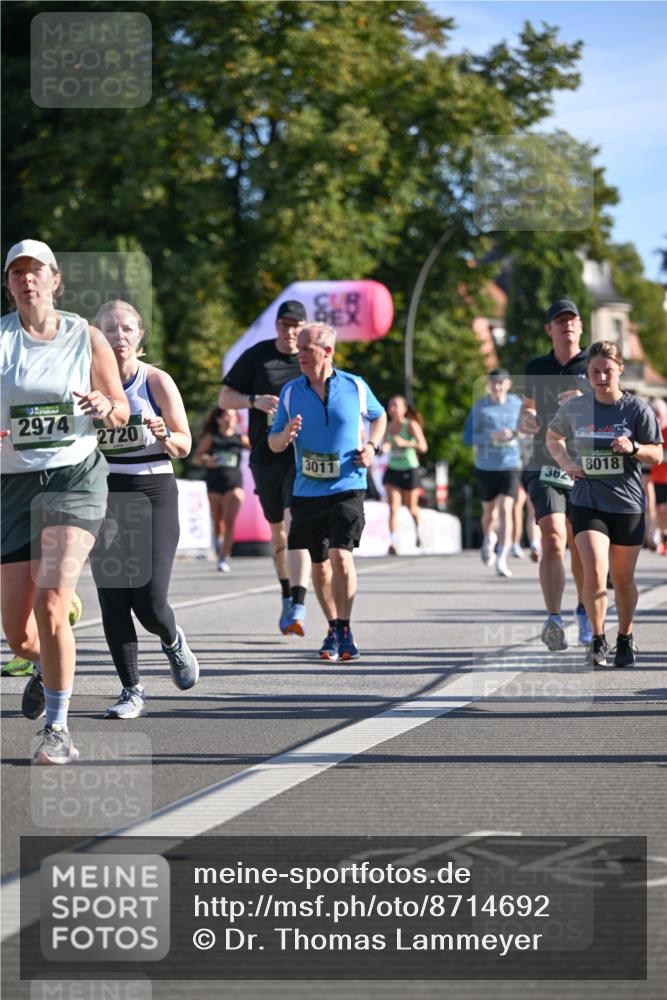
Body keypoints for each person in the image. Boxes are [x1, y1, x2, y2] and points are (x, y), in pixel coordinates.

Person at [1, 240, 130, 762]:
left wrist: (105, 404)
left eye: (36, 271)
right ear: (9, 283)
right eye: (17, 273)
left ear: (55, 279)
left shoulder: (86, 336)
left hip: (74, 478)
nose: (27, 280)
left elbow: (121, 410)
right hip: (11, 489)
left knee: (51, 603)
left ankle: (57, 727)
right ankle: (39, 663)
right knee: (19, 635)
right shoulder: (2, 340)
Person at [92, 299, 198, 720]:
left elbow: (185, 444)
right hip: (103, 493)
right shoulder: (86, 382)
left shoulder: (156, 381)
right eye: (109, 330)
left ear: (139, 336)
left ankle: (172, 639)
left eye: (126, 329)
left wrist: (164, 433)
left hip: (153, 488)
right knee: (113, 598)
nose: (118, 337)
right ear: (97, 338)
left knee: (149, 601)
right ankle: (131, 689)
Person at [268, 322, 386, 660]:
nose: (299, 354)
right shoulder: (291, 392)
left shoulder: (356, 387)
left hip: (348, 485)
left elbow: (379, 419)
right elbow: (274, 444)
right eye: (299, 348)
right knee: (319, 566)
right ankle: (332, 626)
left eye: (306, 348)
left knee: (341, 556)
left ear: (327, 351)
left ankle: (345, 629)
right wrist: (285, 435)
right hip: (308, 490)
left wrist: (373, 447)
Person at [546, 340, 663, 666]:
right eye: (594, 371)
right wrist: (567, 462)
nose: (600, 377)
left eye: (606, 371)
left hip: (626, 504)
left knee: (623, 579)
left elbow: (658, 453)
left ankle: (625, 637)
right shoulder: (576, 408)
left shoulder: (637, 409)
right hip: (588, 501)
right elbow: (552, 437)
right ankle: (597, 639)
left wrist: (633, 446)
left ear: (619, 370)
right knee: (595, 574)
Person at [219, 300, 310, 632]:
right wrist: (253, 401)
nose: (290, 332)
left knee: (294, 519)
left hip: (301, 455)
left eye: (296, 326)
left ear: (303, 329)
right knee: (278, 531)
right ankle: (287, 593)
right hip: (265, 454)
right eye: (285, 326)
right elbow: (224, 398)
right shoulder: (258, 356)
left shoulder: (309, 358)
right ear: (277, 327)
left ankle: (299, 603)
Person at [519, 299, 593, 648]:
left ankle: (583, 609)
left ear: (581, 326)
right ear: (549, 329)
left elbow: (615, 404)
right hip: (544, 461)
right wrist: (526, 420)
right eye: (560, 321)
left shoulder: (594, 363)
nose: (567, 325)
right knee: (552, 538)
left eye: (572, 320)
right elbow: (526, 411)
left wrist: (584, 398)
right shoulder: (536, 368)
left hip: (585, 465)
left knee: (581, 545)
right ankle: (553, 618)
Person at [463, 368, 522, 577]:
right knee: (489, 513)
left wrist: (514, 433)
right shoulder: (480, 407)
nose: (497, 387)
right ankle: (489, 537)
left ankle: (502, 558)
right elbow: (467, 437)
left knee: (507, 508)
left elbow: (530, 428)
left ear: (508, 384)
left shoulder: (518, 404)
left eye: (500, 383)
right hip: (486, 466)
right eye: (493, 383)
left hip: (511, 464)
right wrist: (491, 436)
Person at [193, 407, 249, 572]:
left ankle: (224, 556)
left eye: (232, 416)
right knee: (218, 521)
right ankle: (219, 544)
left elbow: (258, 450)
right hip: (215, 483)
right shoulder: (212, 437)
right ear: (218, 419)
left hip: (234, 484)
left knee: (229, 520)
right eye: (225, 416)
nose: (229, 419)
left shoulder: (240, 438)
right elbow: (197, 457)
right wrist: (207, 460)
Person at [382, 396, 428, 553]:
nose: (392, 409)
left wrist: (406, 443)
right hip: (393, 468)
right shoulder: (387, 426)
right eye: (390, 406)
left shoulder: (411, 425)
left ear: (404, 409)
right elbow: (386, 444)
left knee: (411, 507)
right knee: (393, 507)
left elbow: (423, 447)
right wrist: (382, 449)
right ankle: (393, 542)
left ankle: (419, 530)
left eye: (395, 405)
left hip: (409, 468)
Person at [648, 398, 667, 554]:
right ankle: (663, 540)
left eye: (659, 414)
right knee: (660, 510)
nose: (657, 417)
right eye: (654, 414)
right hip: (658, 478)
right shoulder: (652, 430)